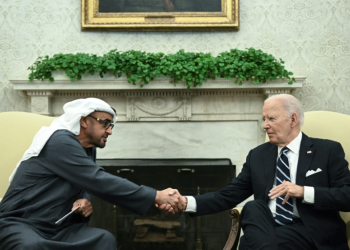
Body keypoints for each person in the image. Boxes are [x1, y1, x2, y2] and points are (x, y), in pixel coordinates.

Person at [0, 98, 185, 250]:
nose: (110, 131)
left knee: (103, 239)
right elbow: (97, 180)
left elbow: (85, 181)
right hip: (22, 224)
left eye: (111, 125)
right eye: (105, 123)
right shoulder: (60, 141)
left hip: (59, 228)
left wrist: (84, 198)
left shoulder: (87, 148)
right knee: (31, 246)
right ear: (83, 120)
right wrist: (156, 196)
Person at [171, 94, 350, 250]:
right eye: (264, 119)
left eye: (271, 119)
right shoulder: (258, 155)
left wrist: (303, 191)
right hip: (266, 228)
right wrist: (186, 202)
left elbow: (347, 196)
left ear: (293, 120)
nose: (264, 125)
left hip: (309, 231)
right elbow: (228, 195)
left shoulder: (327, 151)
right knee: (254, 207)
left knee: (249, 243)